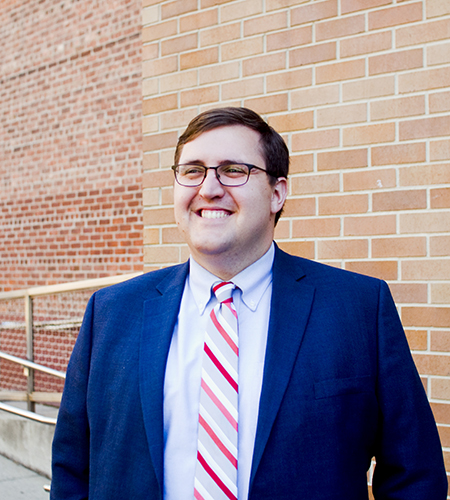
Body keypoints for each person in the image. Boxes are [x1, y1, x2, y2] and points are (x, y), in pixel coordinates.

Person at [51, 107, 447, 499]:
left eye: (233, 170)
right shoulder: (111, 312)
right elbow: (73, 470)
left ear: (277, 193)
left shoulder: (358, 308)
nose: (208, 189)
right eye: (192, 171)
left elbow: (414, 475)